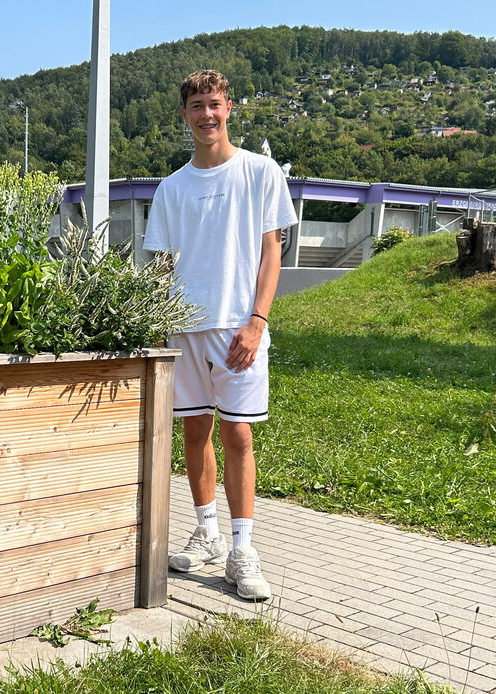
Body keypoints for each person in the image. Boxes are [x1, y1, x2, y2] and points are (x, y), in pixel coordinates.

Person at [142, 69, 297, 601]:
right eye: (196, 106)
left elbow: (271, 251)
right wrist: (155, 327)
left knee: (238, 435)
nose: (207, 114)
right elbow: (160, 265)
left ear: (229, 108)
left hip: (239, 328)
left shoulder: (260, 172)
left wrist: (258, 320)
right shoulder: (171, 188)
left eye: (215, 103)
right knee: (194, 435)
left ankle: (242, 550)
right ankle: (206, 532)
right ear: (184, 115)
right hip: (182, 329)